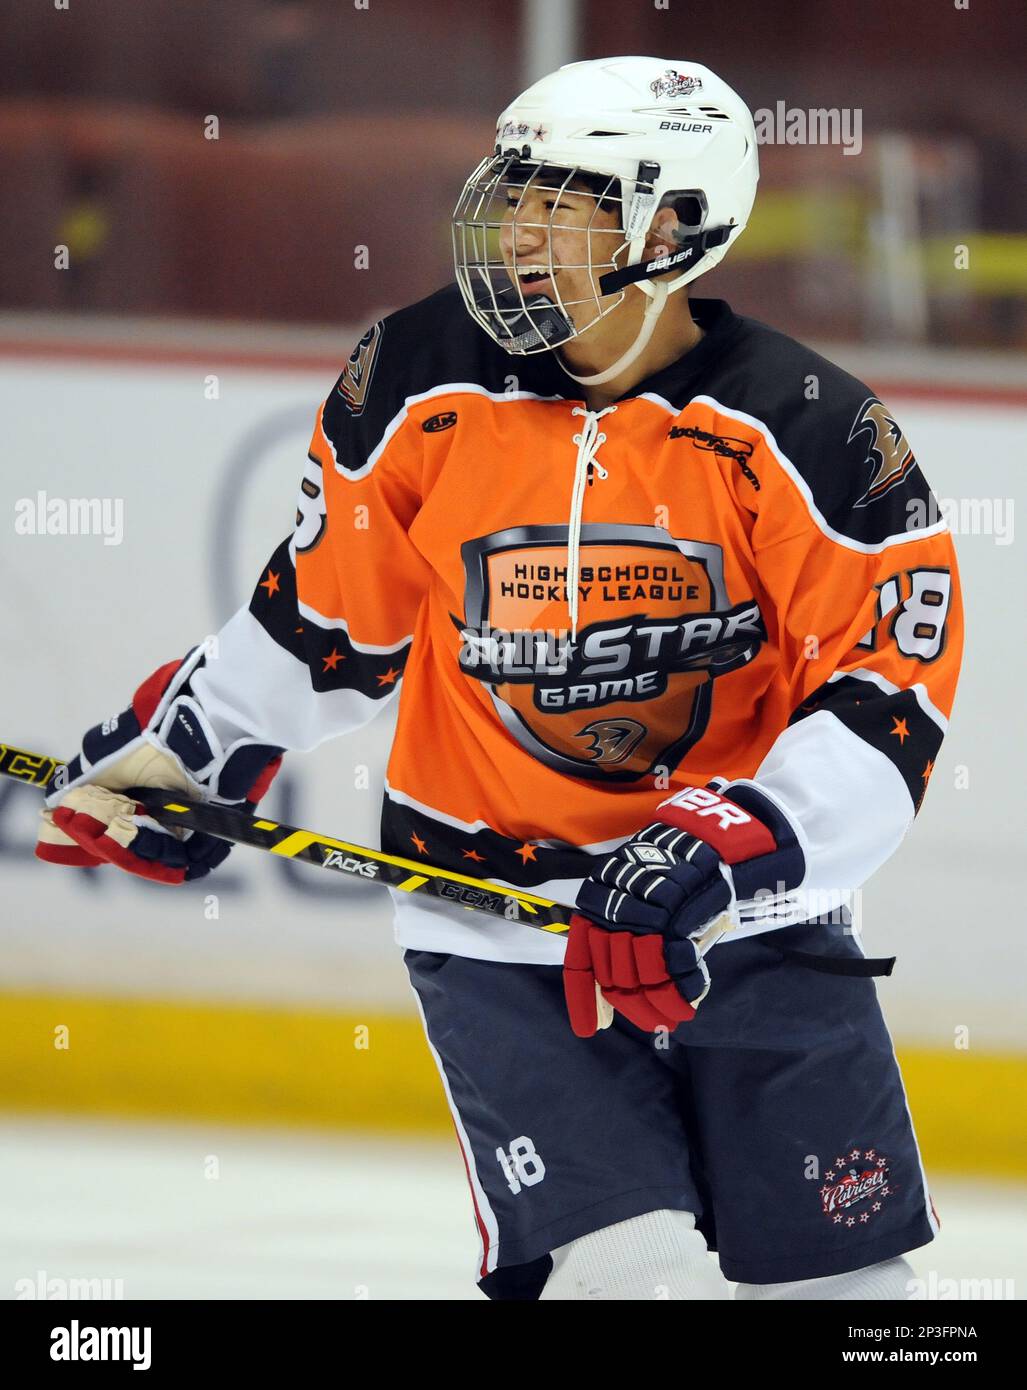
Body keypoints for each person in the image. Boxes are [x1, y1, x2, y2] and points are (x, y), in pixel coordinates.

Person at [36, 57, 963, 1300]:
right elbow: (326, 623)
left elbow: (885, 696)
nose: (517, 225)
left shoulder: (809, 428)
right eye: (512, 188)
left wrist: (722, 847)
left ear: (672, 222)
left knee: (850, 1302)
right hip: (500, 931)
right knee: (622, 1277)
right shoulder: (418, 372)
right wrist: (189, 746)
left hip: (750, 934)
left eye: (562, 197)